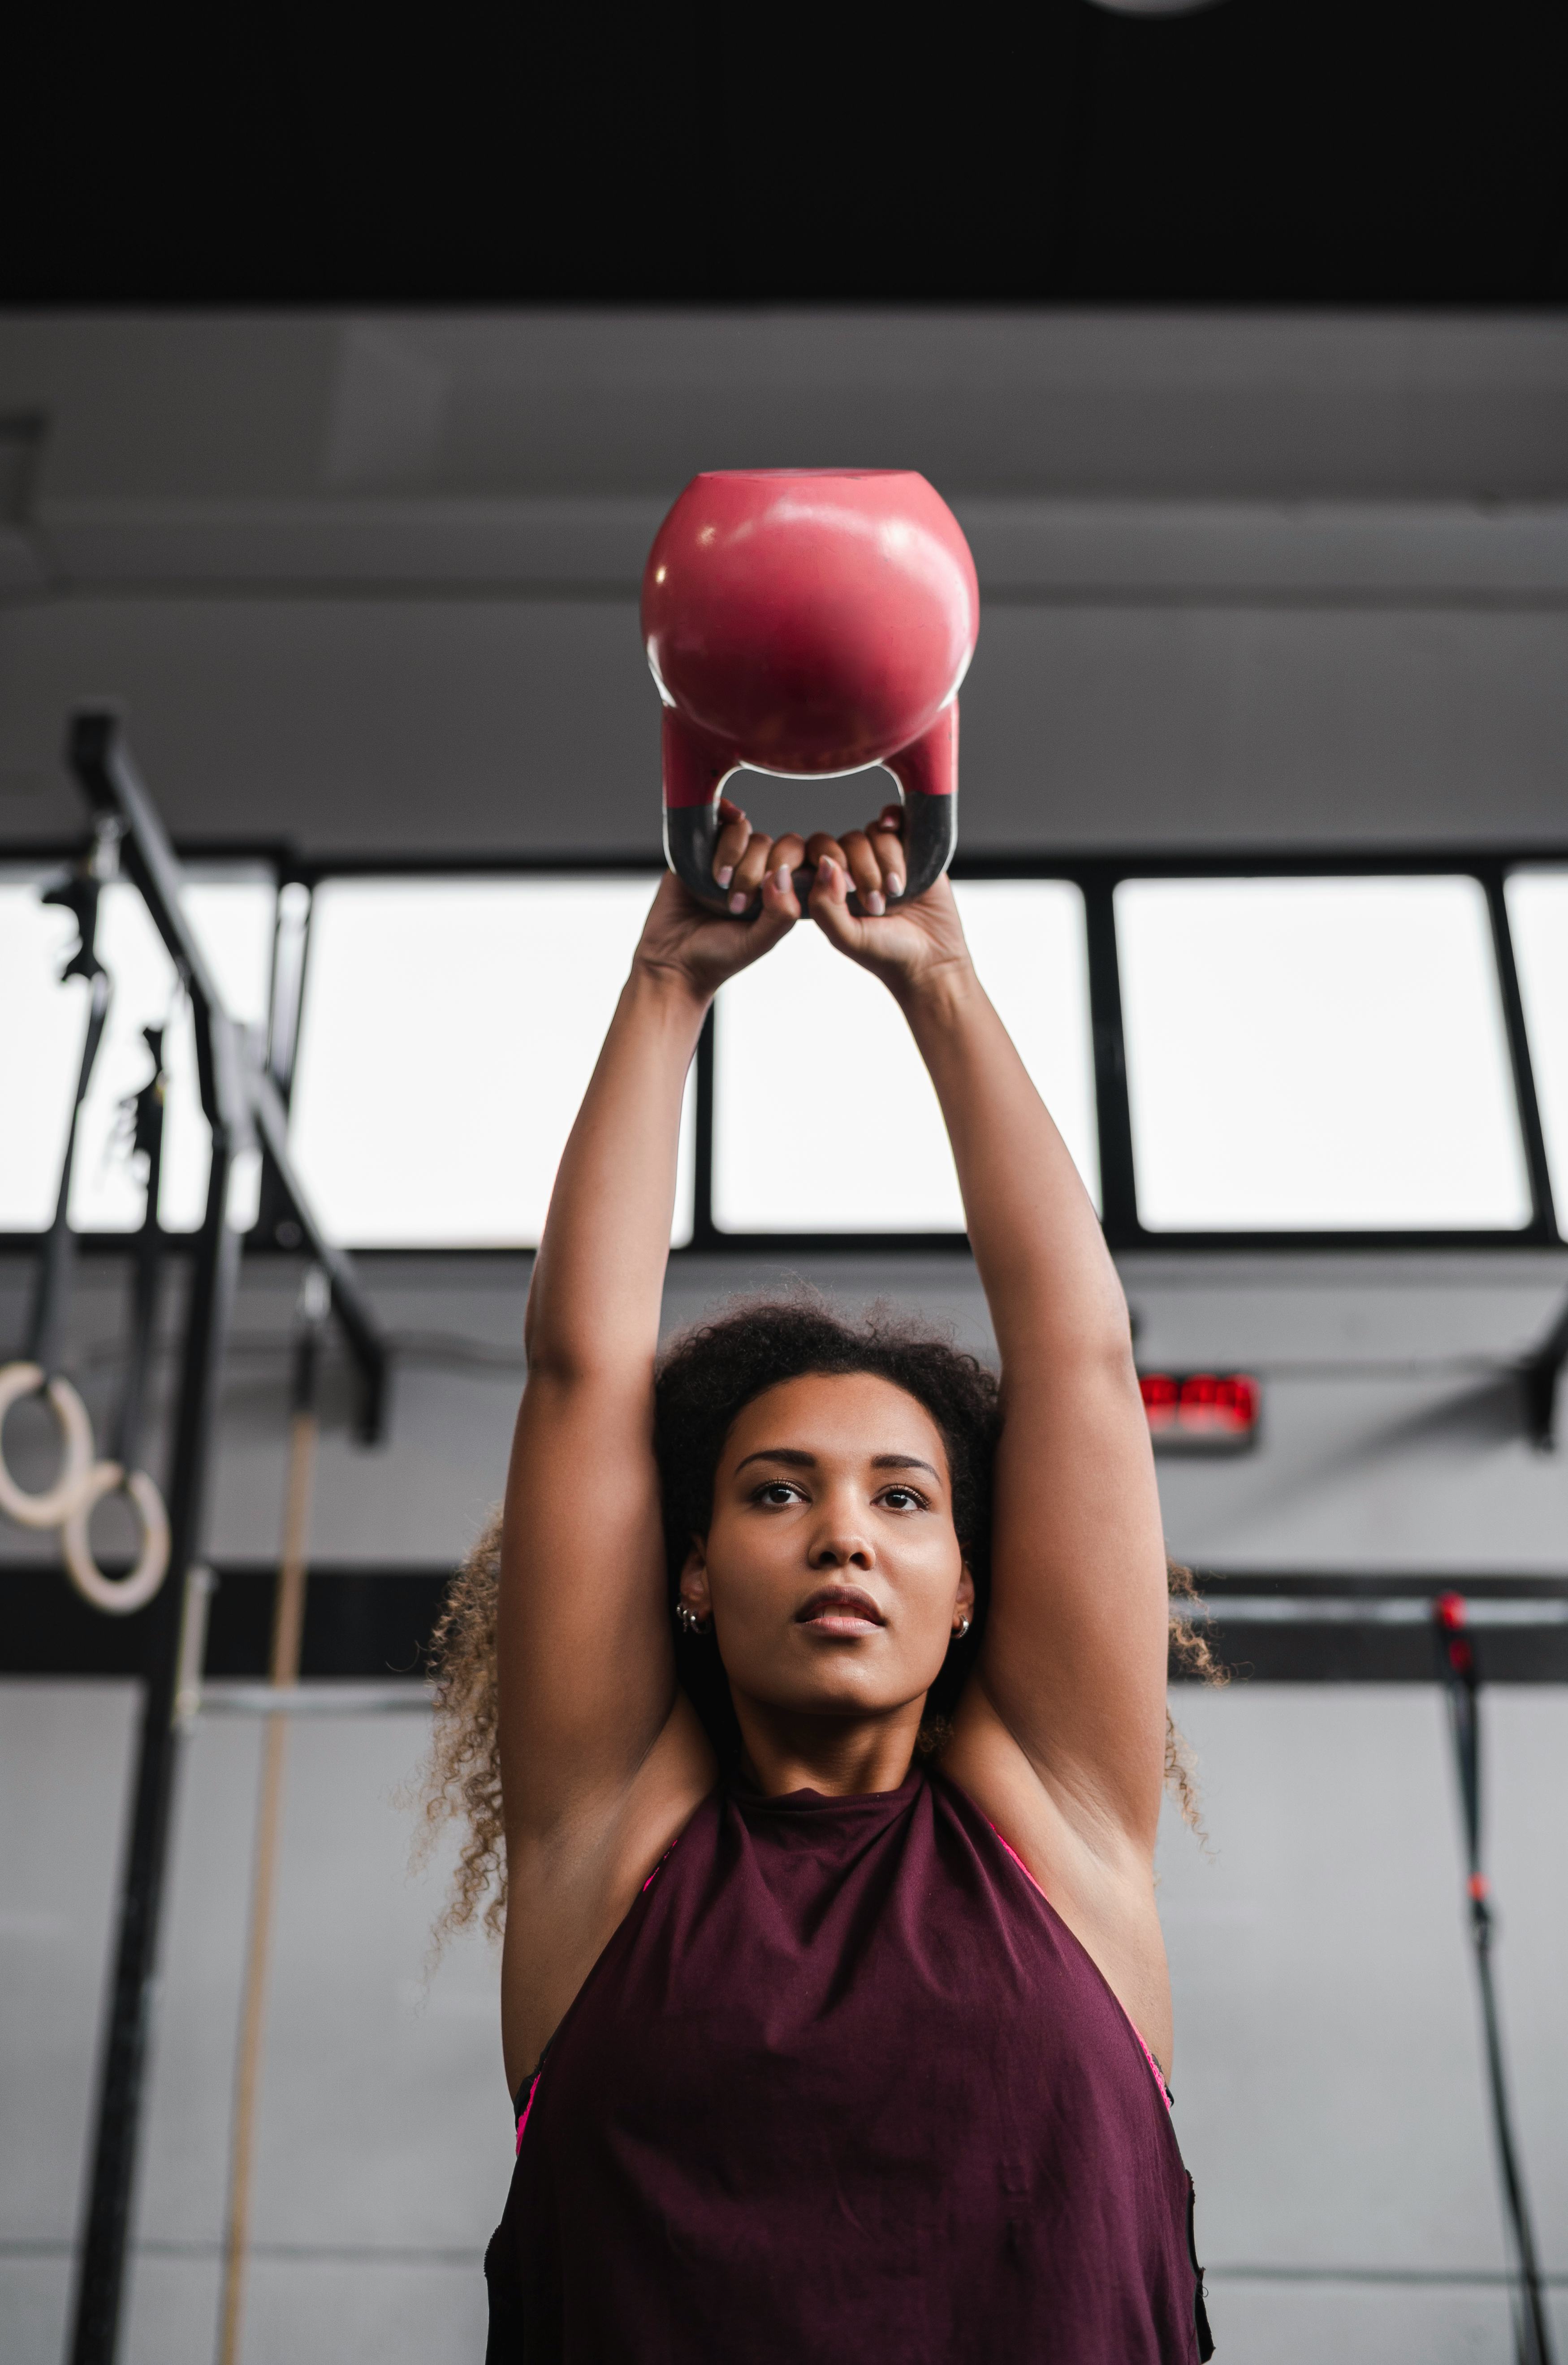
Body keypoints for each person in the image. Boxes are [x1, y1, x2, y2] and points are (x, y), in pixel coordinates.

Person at [425, 800, 1215, 2362]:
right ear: (693, 1569)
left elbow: (1078, 1359)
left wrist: (941, 983)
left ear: (973, 1584)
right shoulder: (609, 1851)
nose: (842, 1534)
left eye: (900, 1499)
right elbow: (583, 1369)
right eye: (776, 1492)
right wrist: (666, 985)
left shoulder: (1054, 1832)